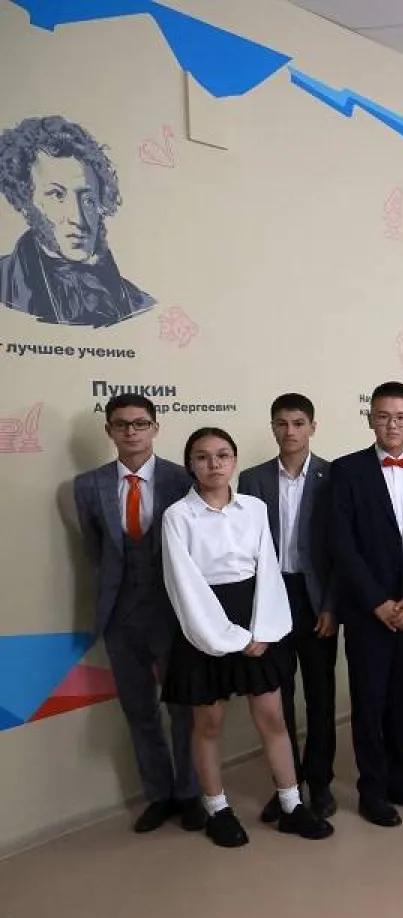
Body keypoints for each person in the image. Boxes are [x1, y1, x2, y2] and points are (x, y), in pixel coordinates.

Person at [161, 427, 333, 847]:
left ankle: (291, 804)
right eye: (202, 457)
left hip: (256, 617)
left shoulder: (254, 508)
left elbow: (268, 570)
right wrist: (229, 637)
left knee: (273, 716)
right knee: (209, 723)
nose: (214, 464)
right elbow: (184, 585)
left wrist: (264, 630)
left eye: (222, 455)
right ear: (190, 465)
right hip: (205, 623)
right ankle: (217, 809)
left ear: (234, 461)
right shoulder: (177, 516)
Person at [71, 394, 201, 833]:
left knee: (184, 708)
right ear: (109, 430)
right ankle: (159, 795)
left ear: (155, 428)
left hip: (174, 613)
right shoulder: (87, 486)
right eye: (122, 424)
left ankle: (190, 793)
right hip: (120, 617)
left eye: (140, 423)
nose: (131, 431)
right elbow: (96, 550)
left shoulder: (182, 479)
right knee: (138, 710)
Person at [328, 381, 403, 828]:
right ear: (370, 419)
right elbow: (341, 544)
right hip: (366, 611)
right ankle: (371, 789)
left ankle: (399, 780)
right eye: (383, 416)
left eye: (401, 417)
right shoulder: (346, 471)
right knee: (369, 703)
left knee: (402, 701)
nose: (392, 425)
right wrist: (376, 601)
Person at [237, 393, 340, 822]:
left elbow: (340, 551)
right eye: (282, 423)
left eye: (299, 423)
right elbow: (243, 546)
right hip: (271, 597)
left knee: (320, 696)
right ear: (273, 428)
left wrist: (332, 605)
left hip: (316, 600)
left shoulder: (333, 476)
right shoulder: (252, 479)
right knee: (279, 698)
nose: (290, 431)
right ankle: (288, 785)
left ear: (312, 427)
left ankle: (320, 782)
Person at [0, 115, 154, 326]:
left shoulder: (138, 304)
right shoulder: (5, 283)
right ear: (25, 199)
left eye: (88, 199)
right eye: (57, 195)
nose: (78, 218)